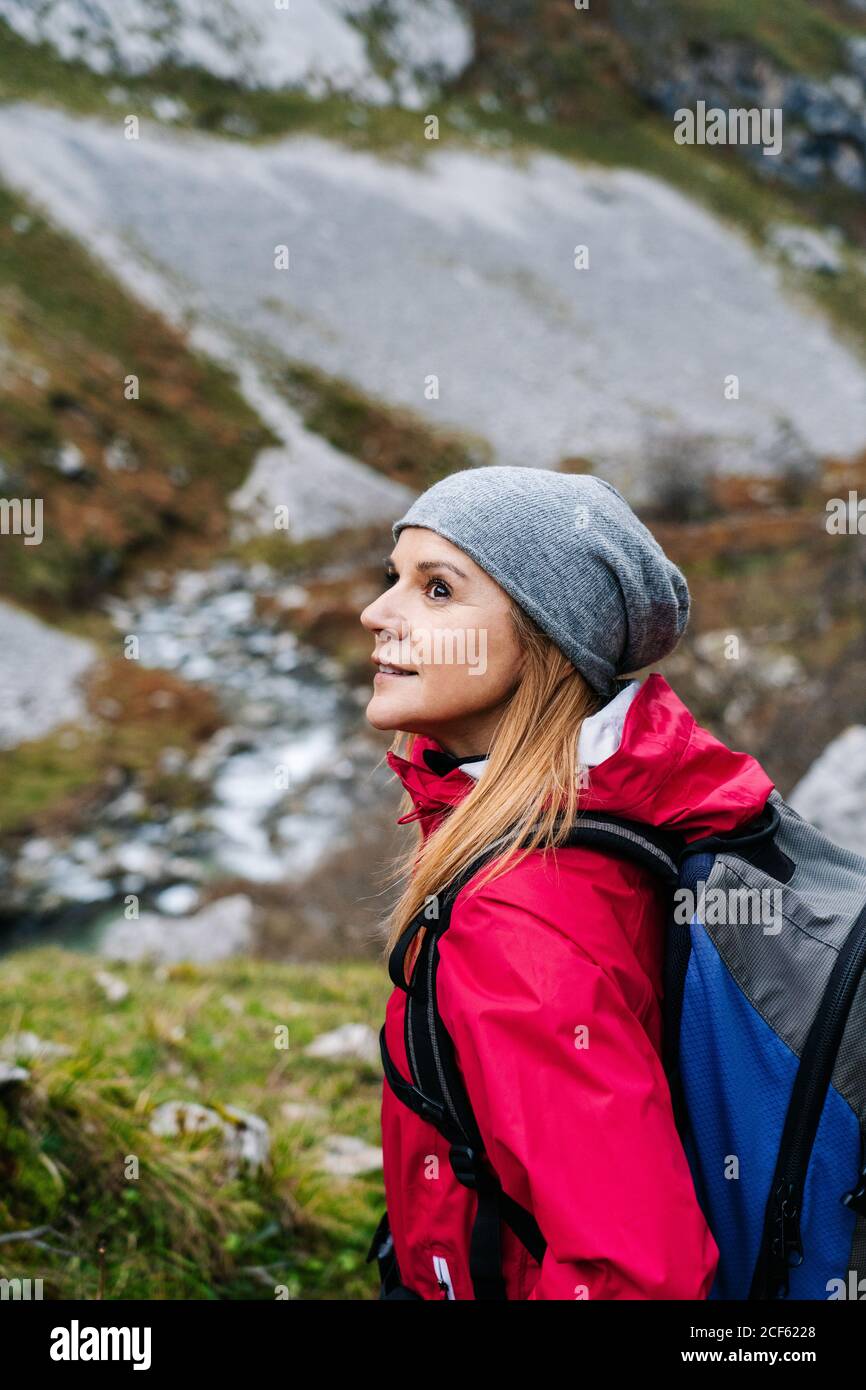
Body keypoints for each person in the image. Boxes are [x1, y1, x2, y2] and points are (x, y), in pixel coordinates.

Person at [359, 465, 773, 1301]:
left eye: (437, 590)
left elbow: (633, 1273)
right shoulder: (606, 810)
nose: (377, 613)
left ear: (543, 642)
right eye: (393, 579)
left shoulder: (518, 914)